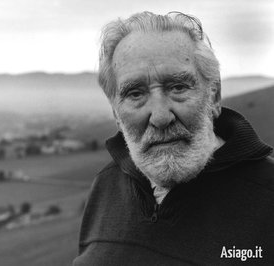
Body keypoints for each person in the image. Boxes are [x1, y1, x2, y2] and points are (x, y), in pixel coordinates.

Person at [73, 11, 274, 265]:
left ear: (214, 96)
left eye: (177, 87)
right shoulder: (106, 184)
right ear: (116, 113)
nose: (159, 116)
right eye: (135, 94)